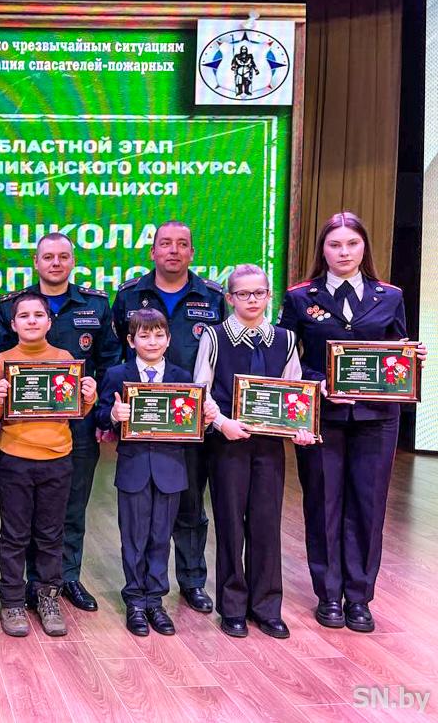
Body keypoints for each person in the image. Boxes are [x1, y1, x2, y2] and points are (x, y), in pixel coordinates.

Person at [279, 212, 425, 632]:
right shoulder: (299, 297)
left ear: (364, 248)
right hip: (322, 417)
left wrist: (411, 358)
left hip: (377, 419)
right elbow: (286, 360)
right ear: (322, 250)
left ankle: (359, 597)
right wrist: (319, 383)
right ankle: (329, 595)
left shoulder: (390, 296)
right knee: (322, 503)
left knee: (367, 505)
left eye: (352, 244)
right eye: (335, 244)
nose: (344, 252)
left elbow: (396, 354)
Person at [0, 232, 121, 612]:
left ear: (73, 261)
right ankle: (29, 586)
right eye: (48, 256)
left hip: (76, 425)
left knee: (71, 507)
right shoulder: (12, 305)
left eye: (63, 256)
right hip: (22, 430)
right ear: (36, 261)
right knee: (23, 518)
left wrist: (101, 411)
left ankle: (66, 579)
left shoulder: (96, 304)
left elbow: (109, 361)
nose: (56, 263)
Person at [194, 264, 318, 639]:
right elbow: (201, 392)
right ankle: (232, 607)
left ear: (269, 296)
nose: (252, 300)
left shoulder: (286, 339)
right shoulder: (215, 337)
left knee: (266, 525)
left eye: (259, 293)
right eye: (243, 294)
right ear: (229, 298)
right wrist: (222, 424)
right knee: (231, 524)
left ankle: (266, 606)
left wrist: (300, 429)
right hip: (227, 444)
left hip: (269, 447)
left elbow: (295, 394)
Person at [111, 221, 226, 614]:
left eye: (182, 244)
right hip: (141, 429)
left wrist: (211, 411)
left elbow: (220, 355)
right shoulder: (129, 295)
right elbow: (118, 354)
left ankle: (192, 581)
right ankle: (140, 592)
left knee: (190, 506)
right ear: (153, 251)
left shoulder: (212, 296)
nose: (173, 250)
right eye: (165, 244)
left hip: (189, 425)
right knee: (143, 516)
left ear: (192, 252)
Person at [97, 309, 218, 637]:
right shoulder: (117, 374)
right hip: (133, 467)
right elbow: (100, 415)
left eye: (158, 335)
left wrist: (205, 420)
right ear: (131, 341)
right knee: (133, 537)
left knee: (161, 537)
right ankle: (135, 601)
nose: (152, 341)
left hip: (171, 469)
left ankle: (155, 600)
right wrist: (113, 414)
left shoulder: (182, 377)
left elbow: (193, 425)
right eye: (144, 335)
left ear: (168, 339)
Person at [0, 292, 97, 638]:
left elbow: (77, 411)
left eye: (38, 315)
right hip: (15, 460)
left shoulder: (65, 359)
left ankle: (47, 597)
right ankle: (12, 600)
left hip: (57, 459)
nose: (31, 320)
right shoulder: (2, 361)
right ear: (13, 323)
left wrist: (89, 396)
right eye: (24, 316)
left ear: (49, 322)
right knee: (14, 535)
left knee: (51, 534)